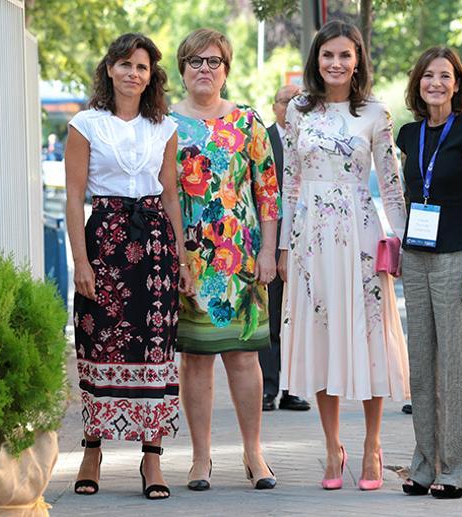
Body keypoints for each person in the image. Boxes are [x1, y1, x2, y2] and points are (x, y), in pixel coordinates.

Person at [277, 20, 410, 491]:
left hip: (359, 232)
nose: (335, 63)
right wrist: (283, 246)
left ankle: (373, 445)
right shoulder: (298, 110)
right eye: (327, 55)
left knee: (369, 336)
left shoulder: (375, 113)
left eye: (345, 55)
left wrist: (408, 238)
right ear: (317, 59)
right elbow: (289, 181)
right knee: (320, 336)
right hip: (310, 236)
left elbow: (390, 184)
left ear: (358, 61)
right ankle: (332, 447)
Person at [65, 33, 193, 500]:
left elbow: (172, 194)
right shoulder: (86, 124)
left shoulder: (164, 127)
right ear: (110, 70)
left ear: (150, 76)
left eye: (141, 67)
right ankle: (92, 450)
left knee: (156, 346)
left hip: (155, 242)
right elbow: (75, 197)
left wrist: (181, 258)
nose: (133, 73)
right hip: (106, 241)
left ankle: (152, 458)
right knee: (97, 339)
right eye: (124, 64)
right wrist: (80, 261)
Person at [170, 28, 279, 491]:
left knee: (242, 356)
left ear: (227, 70)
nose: (205, 69)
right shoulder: (165, 124)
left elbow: (268, 192)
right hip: (188, 257)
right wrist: (175, 256)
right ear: (182, 70)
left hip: (241, 257)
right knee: (195, 359)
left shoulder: (247, 122)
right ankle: (200, 459)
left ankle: (254, 454)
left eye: (214, 61)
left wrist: (270, 251)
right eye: (195, 61)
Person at [396, 47, 462, 499]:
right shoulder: (408, 134)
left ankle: (461, 471)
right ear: (418, 83)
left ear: (457, 85)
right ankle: (423, 465)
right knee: (421, 368)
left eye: (445, 76)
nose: (435, 83)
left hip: (459, 256)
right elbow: (408, 193)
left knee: (457, 369)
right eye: (428, 76)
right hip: (415, 256)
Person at [259, 85, 311, 413]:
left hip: (308, 243)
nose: (291, 106)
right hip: (271, 242)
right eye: (286, 101)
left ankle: (293, 389)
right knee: (272, 319)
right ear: (276, 106)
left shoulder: (312, 140)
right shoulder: (263, 140)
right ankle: (268, 388)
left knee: (299, 320)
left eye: (298, 101)